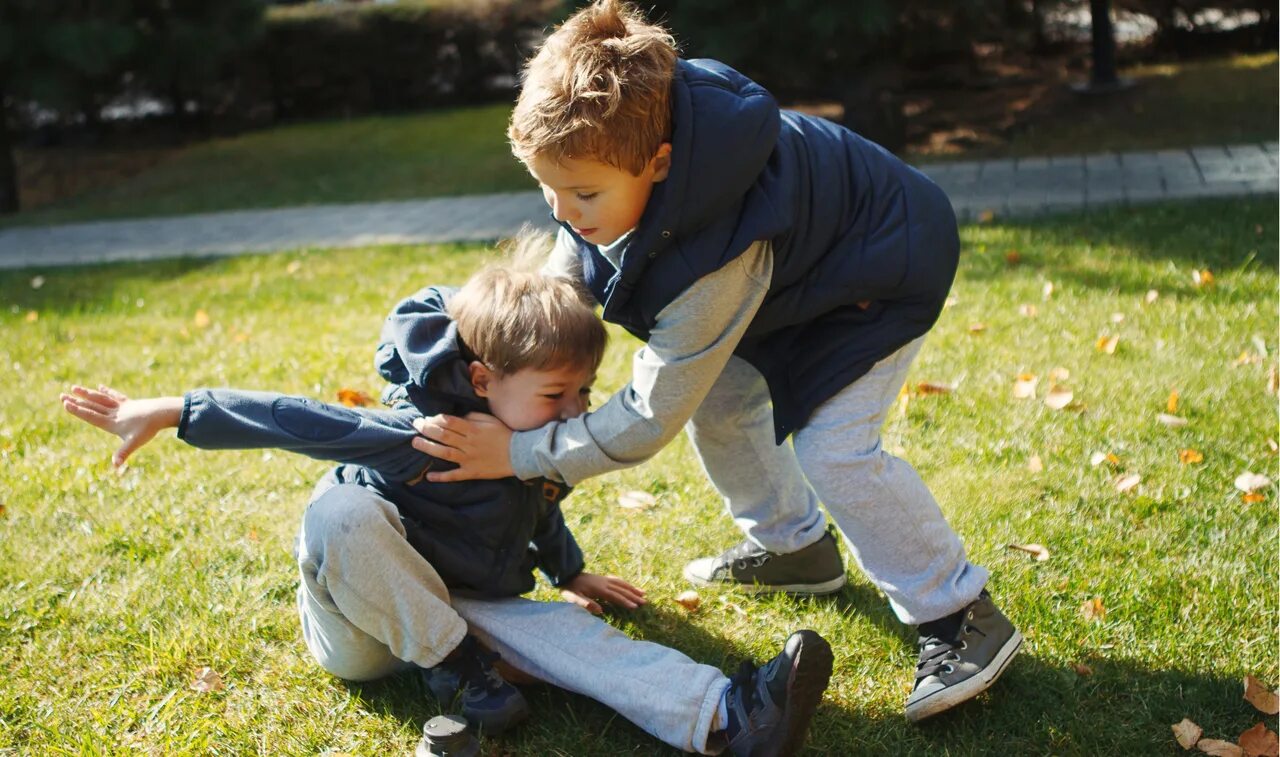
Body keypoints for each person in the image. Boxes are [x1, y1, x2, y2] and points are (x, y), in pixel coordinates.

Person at [409, 0, 1021, 723]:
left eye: (583, 193)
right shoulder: (623, 162)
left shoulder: (714, 260)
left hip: (878, 274)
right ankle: (795, 548)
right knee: (724, 403)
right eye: (548, 189)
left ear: (659, 165)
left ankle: (959, 612)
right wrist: (479, 342)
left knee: (835, 450)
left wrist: (519, 452)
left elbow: (645, 419)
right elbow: (560, 289)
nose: (563, 211)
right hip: (793, 286)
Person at [59, 250, 834, 756]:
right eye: (557, 393)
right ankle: (468, 668)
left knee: (574, 637)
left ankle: (730, 717)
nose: (575, 410)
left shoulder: (532, 443)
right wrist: (171, 409)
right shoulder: (420, 432)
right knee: (338, 511)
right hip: (364, 628)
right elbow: (291, 417)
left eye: (585, 392)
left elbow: (538, 507)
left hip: (458, 613)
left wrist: (570, 573)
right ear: (483, 381)